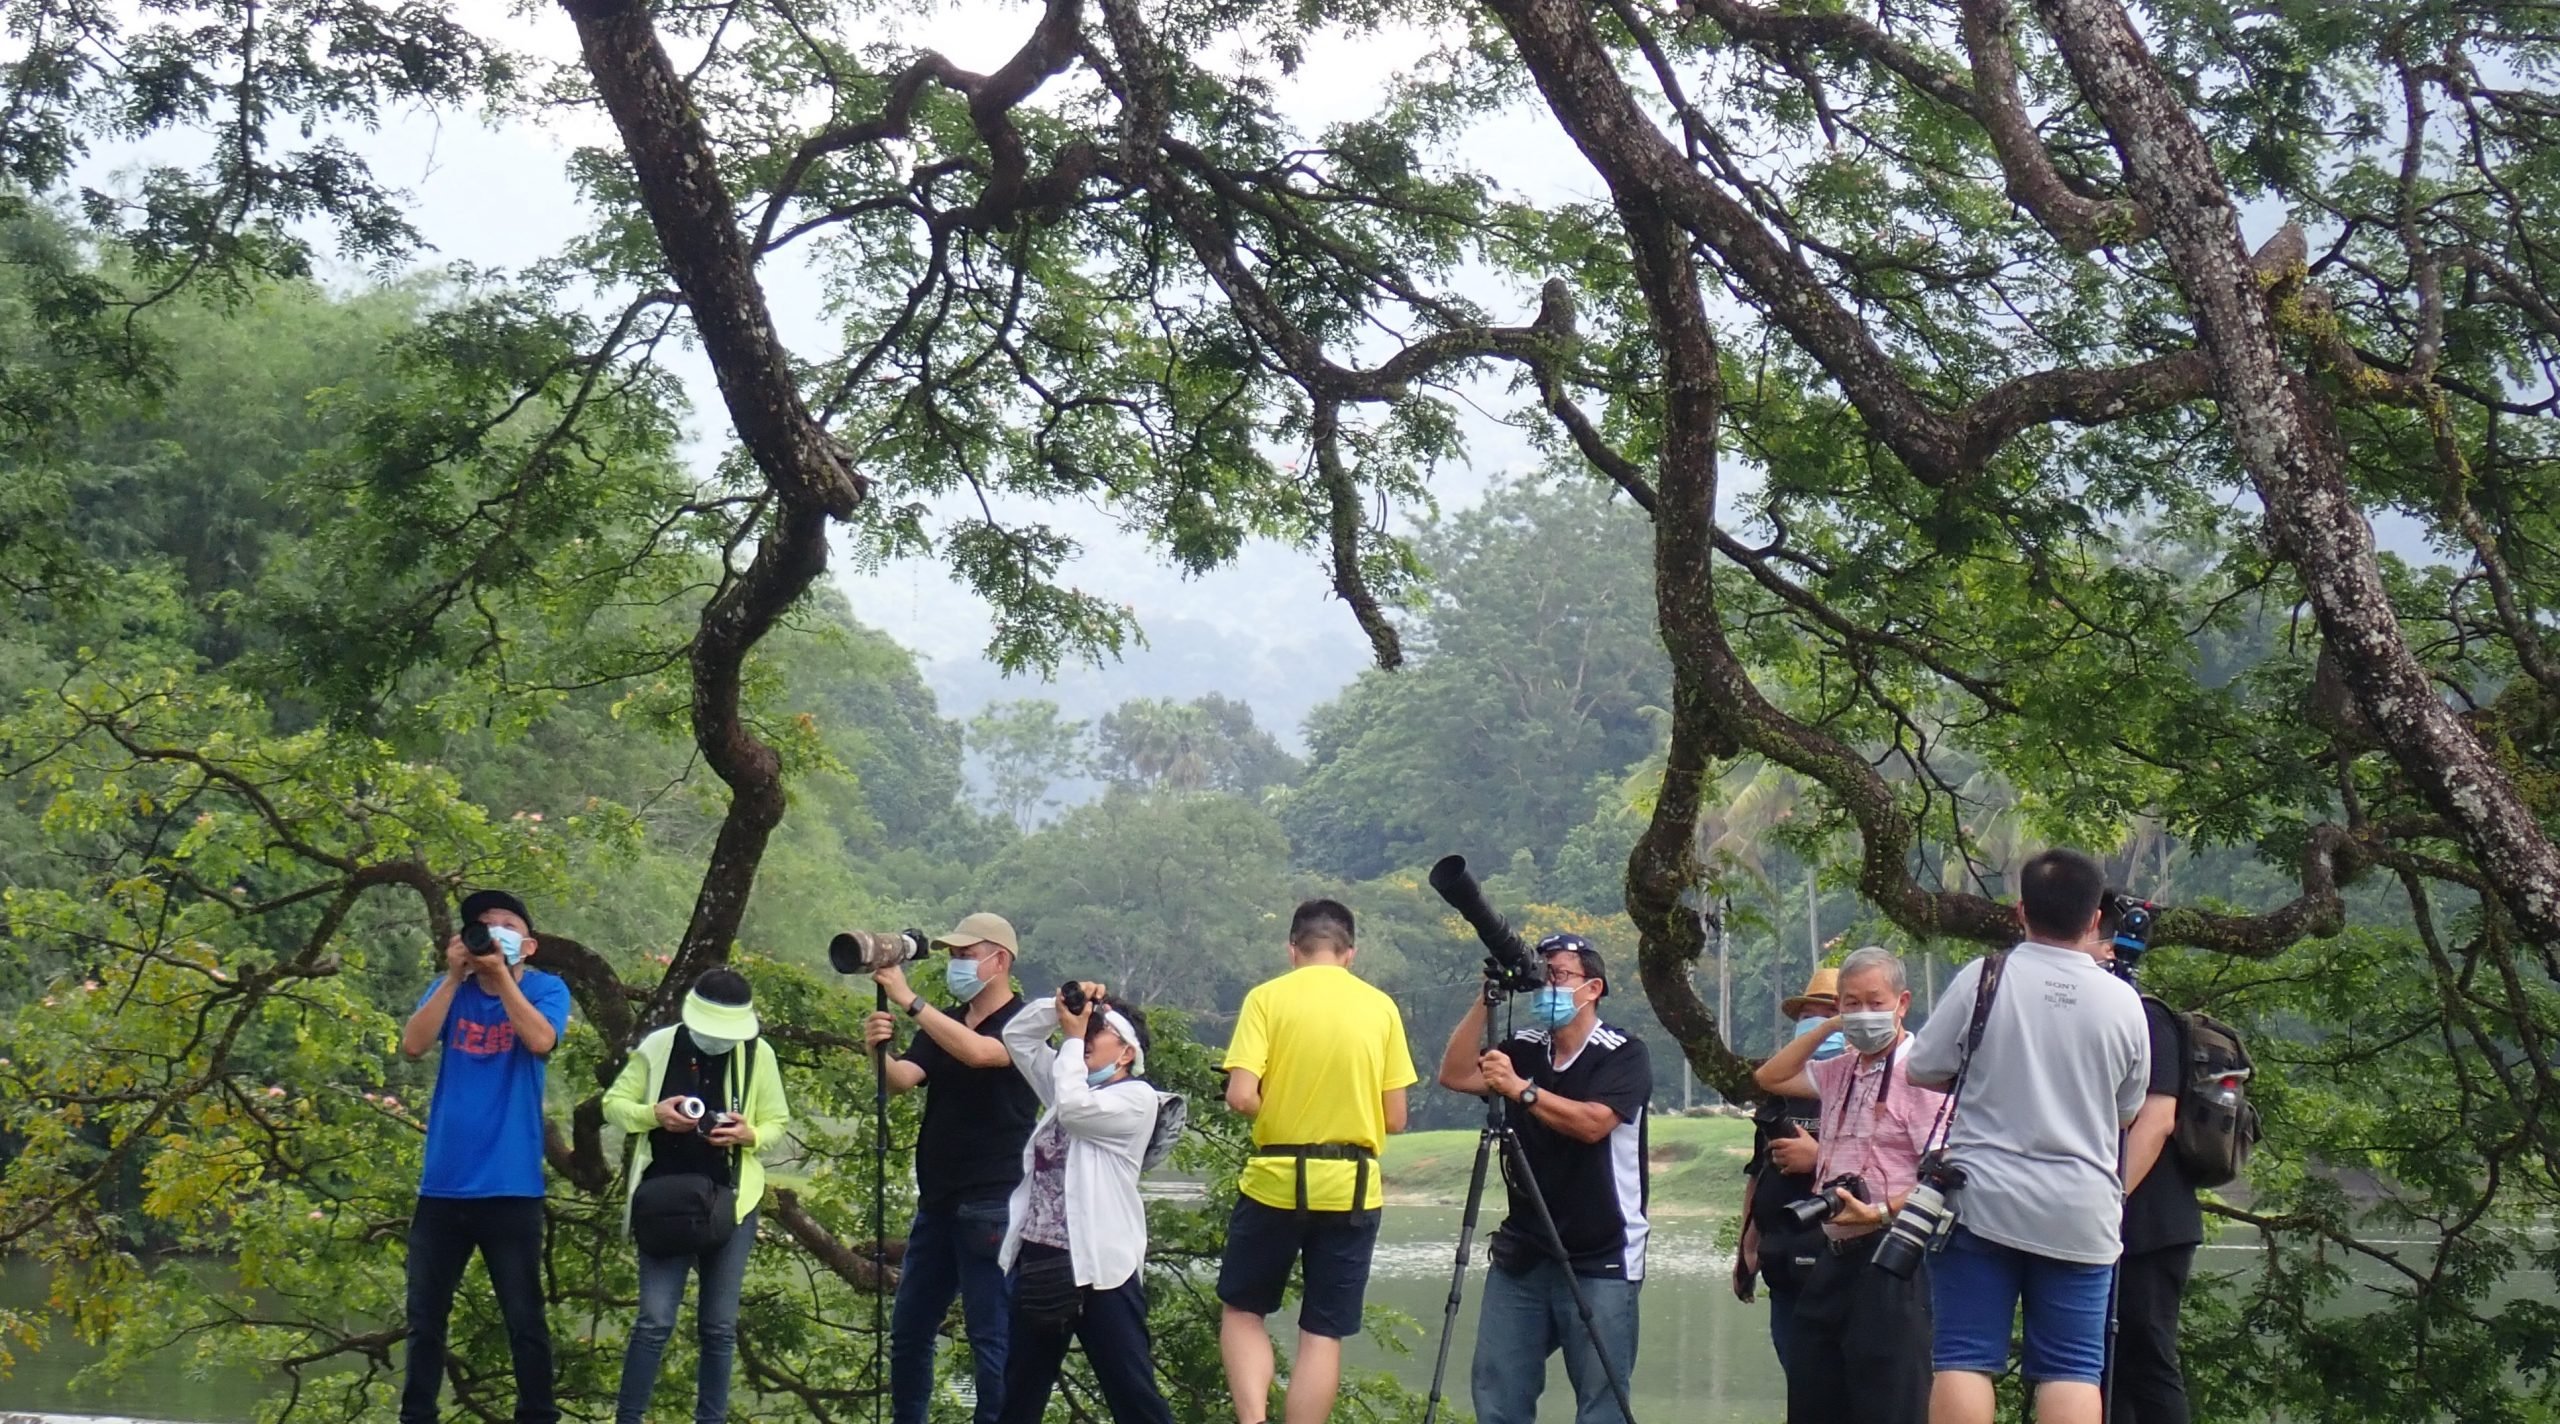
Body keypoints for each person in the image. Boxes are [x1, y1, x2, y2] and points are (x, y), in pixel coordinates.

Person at [1907, 849, 2149, 1424]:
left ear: (2020, 911)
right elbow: (2128, 1109)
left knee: (1964, 1358)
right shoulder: (2123, 1000)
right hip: (2080, 1211)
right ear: (2095, 918)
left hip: (1981, 1200)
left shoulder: (1984, 977)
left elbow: (1922, 1068)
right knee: (2072, 1368)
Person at [1435, 934, 1651, 1424]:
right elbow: (1454, 1074)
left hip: (1603, 1253)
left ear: (1592, 987)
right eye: (1543, 974)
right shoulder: (1527, 1048)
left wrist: (1521, 1090)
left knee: (1602, 1402)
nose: (1547, 985)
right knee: (1498, 1391)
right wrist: (1484, 997)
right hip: (1526, 1252)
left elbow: (1594, 1124)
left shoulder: (1621, 1053)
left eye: (1560, 975)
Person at [1217, 898, 1418, 1424]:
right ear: (1350, 953)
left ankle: (1253, 1421)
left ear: (1292, 950)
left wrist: (1280, 1108)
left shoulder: (1266, 999)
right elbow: (1395, 1117)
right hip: (1352, 1187)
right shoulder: (1381, 1007)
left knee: (1243, 1310)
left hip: (1276, 1182)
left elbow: (1240, 1096)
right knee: (1323, 1331)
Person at [395, 889, 573, 1424]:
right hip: (444, 1185)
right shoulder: (452, 990)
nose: (493, 932)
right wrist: (454, 978)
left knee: (524, 1318)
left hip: (511, 1185)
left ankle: (537, 1416)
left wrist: (503, 982)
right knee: (425, 1318)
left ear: (529, 944)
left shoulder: (547, 988)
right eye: (482, 925)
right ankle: (416, 1416)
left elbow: (541, 1041)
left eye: (506, 925)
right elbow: (413, 1045)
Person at [1753, 948, 1949, 1424]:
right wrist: (1828, 1026)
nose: (1863, 1015)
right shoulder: (1843, 1067)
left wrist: (1880, 1212)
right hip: (1832, 1253)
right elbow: (1769, 1076)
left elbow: (1945, 1173)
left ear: (1902, 1003)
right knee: (1815, 1394)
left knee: (1889, 1402)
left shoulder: (1920, 1072)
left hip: (1896, 1253)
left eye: (1874, 1002)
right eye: (1851, 1003)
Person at [864, 912, 1042, 1424]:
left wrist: (908, 1000)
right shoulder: (945, 1019)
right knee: (910, 1330)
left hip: (992, 1200)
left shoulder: (1025, 1022)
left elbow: (981, 1054)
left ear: (999, 960)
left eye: (966, 955)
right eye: (953, 956)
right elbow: (901, 1080)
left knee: (990, 1335)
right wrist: (876, 1050)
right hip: (937, 1200)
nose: (957, 964)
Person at [603, 968, 792, 1424]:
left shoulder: (757, 1055)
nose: (716, 1042)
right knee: (654, 1321)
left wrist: (747, 1135)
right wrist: (654, 1114)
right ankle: (628, 1417)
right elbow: (614, 1105)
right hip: (664, 1201)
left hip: (731, 1201)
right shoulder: (659, 1047)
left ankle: (710, 1418)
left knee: (719, 1326)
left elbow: (777, 1123)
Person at [994, 982, 1178, 1424]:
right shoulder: (1069, 1081)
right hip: (1041, 1260)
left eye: (1099, 1030)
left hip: (1100, 1270)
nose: (1086, 1035)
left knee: (1133, 1396)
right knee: (1018, 1398)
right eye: (1086, 1028)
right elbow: (1018, 1038)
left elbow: (1075, 1111)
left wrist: (1074, 1039)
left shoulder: (1136, 1099)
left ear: (1126, 1052)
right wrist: (1061, 1004)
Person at [2106, 936, 2201, 1424]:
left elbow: (2159, 1119)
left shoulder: (2148, 1017)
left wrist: (2109, 1198)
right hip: (2110, 1228)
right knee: (2107, 1367)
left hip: (2151, 1225)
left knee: (2148, 1359)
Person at [1734, 967, 1845, 1383]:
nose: (1818, 1025)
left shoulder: (1869, 1085)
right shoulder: (1781, 1090)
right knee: (1799, 1378)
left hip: (1840, 1259)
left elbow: (1894, 1171)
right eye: (1811, 1016)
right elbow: (1759, 1171)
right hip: (1784, 1260)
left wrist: (1819, 1158)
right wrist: (1747, 1248)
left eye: (1830, 1015)